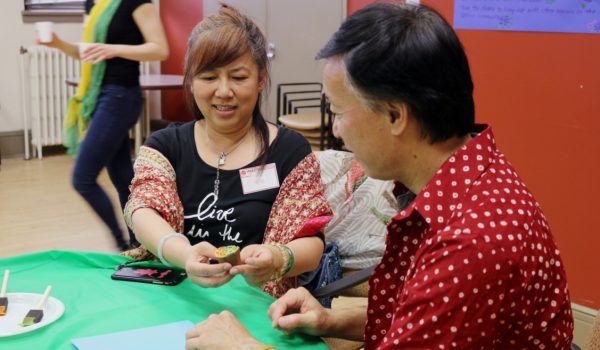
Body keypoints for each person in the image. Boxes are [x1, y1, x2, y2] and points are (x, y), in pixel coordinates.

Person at [185, 3, 574, 349]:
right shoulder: (465, 180)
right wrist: (331, 320)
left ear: (394, 116)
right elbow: (420, 316)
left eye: (338, 111)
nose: (335, 131)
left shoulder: (469, 246)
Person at [123, 5, 329, 298]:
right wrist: (185, 256)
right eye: (208, 78)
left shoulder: (289, 151)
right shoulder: (164, 145)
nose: (223, 91)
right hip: (176, 296)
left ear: (260, 79)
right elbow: (142, 209)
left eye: (238, 77)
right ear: (191, 81)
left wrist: (277, 258)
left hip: (255, 305)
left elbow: (312, 242)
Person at [37, 0, 169, 250]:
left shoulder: (136, 2)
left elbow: (160, 49)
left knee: (82, 178)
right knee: (122, 178)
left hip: (121, 96)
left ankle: (123, 246)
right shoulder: (93, 5)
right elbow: (88, 52)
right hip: (101, 96)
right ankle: (142, 243)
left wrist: (113, 49)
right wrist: (57, 43)